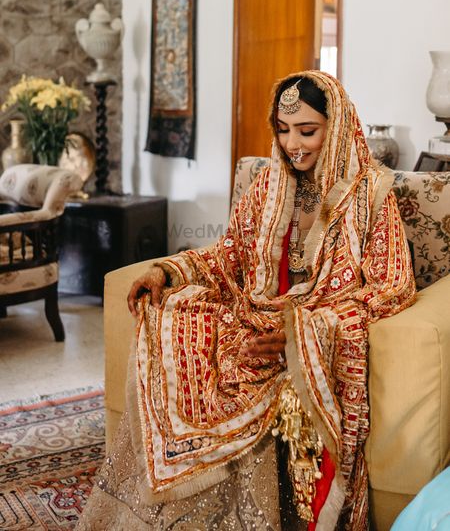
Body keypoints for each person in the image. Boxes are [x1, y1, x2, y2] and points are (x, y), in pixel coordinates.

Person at [76, 71, 416, 530]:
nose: (293, 144)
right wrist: (168, 271)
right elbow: (230, 254)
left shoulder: (370, 195)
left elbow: (391, 287)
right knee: (171, 317)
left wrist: (302, 332)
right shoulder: (268, 186)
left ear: (335, 127)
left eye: (308, 131)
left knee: (280, 395)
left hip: (310, 340)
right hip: (254, 319)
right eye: (283, 129)